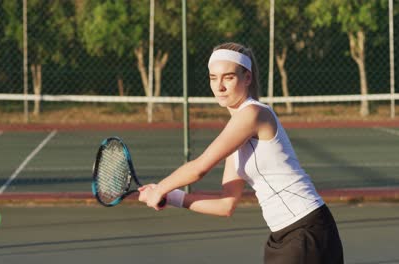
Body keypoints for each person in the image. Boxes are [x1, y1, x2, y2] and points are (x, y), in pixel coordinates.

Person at [138, 42, 344, 263]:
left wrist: (159, 188)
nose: (220, 86)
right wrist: (170, 197)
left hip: (306, 230)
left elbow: (199, 168)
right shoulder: (236, 134)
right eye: (213, 78)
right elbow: (226, 205)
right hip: (284, 235)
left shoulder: (254, 113)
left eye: (228, 77)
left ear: (247, 78)